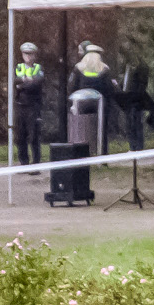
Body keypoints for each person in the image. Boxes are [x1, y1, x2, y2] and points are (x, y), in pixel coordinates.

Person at [54, 48, 105, 206]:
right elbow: (109, 88)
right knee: (99, 132)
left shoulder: (78, 67)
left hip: (79, 105)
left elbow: (72, 85)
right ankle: (101, 155)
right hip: (99, 107)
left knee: (79, 133)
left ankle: (78, 152)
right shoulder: (104, 69)